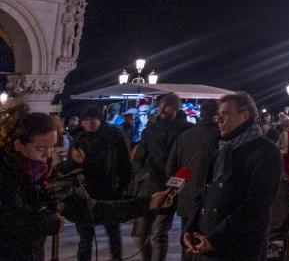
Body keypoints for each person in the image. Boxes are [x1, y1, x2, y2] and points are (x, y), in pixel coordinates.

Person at [0, 105, 172, 261]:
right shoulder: (5, 174)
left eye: (51, 147)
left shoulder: (45, 177)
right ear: (19, 145)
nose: (48, 155)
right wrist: (44, 223)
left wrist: (147, 203)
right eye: (41, 149)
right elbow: (9, 220)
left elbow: (90, 210)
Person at [183, 91, 283, 259]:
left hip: (239, 246)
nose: (219, 120)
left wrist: (216, 238)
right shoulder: (222, 149)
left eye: (226, 114)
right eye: (218, 116)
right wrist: (190, 228)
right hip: (207, 242)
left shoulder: (266, 151)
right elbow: (204, 193)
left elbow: (256, 205)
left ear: (245, 115)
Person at [131, 93, 190, 261]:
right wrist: (144, 174)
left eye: (167, 106)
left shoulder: (185, 130)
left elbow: (187, 162)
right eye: (161, 105)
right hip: (148, 187)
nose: (162, 109)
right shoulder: (150, 129)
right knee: (140, 235)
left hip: (169, 188)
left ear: (176, 108)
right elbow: (138, 159)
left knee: (159, 234)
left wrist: (175, 186)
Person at [72, 103, 133, 261]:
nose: (89, 123)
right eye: (85, 120)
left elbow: (125, 164)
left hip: (110, 192)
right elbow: (70, 168)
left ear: (100, 119)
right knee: (86, 236)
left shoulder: (114, 135)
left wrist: (123, 189)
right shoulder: (78, 138)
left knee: (113, 232)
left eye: (92, 119)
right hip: (85, 193)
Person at [165, 98, 219, 251]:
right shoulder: (221, 137)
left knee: (188, 244)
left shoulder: (184, 136)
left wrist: (178, 190)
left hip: (187, 199)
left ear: (201, 114)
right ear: (217, 115)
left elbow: (171, 168)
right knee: (207, 246)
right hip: (211, 201)